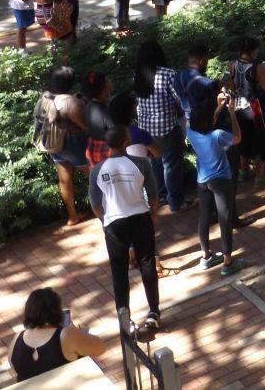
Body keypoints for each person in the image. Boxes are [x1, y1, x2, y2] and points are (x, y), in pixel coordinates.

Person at [89, 126, 161, 331]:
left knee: (119, 271)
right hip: (140, 217)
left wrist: (105, 222)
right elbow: (154, 195)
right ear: (125, 142)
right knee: (147, 263)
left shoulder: (97, 170)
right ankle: (154, 312)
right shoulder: (141, 163)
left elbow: (95, 204)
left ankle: (125, 318)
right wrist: (153, 214)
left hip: (114, 222)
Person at [186, 89, 244, 275]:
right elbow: (237, 138)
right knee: (224, 219)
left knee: (204, 218)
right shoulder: (217, 135)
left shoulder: (190, 131)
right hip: (221, 181)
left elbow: (204, 120)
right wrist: (232, 113)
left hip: (202, 181)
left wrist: (219, 107)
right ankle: (228, 263)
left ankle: (206, 256)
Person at [132, 41, 190, 212]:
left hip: (145, 129)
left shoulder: (137, 75)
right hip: (167, 127)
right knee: (172, 165)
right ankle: (176, 202)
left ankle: (162, 195)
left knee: (156, 163)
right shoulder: (168, 74)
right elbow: (180, 99)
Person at [8, 289, 107, 382]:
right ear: (56, 312)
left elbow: (15, 367)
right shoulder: (65, 334)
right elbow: (100, 348)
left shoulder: (17, 338)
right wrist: (77, 333)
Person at [39, 66, 90, 225]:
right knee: (96, 176)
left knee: (64, 180)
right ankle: (105, 209)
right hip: (74, 144)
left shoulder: (45, 98)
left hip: (54, 144)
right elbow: (85, 127)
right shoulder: (72, 102)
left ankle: (72, 217)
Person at [227, 36, 265, 185]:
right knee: (261, 139)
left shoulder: (231, 65)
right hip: (255, 107)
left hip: (238, 105)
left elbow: (230, 86)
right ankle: (260, 176)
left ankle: (243, 172)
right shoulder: (260, 68)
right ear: (252, 51)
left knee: (243, 138)